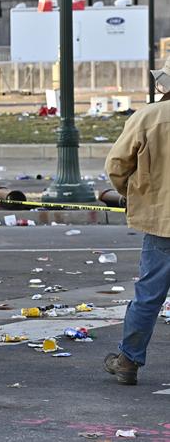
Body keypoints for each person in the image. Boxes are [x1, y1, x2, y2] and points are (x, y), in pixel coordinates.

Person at [103, 57, 170, 385]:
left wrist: (131, 192)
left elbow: (116, 165)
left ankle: (128, 361)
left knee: (148, 296)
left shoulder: (147, 117)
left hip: (162, 222)